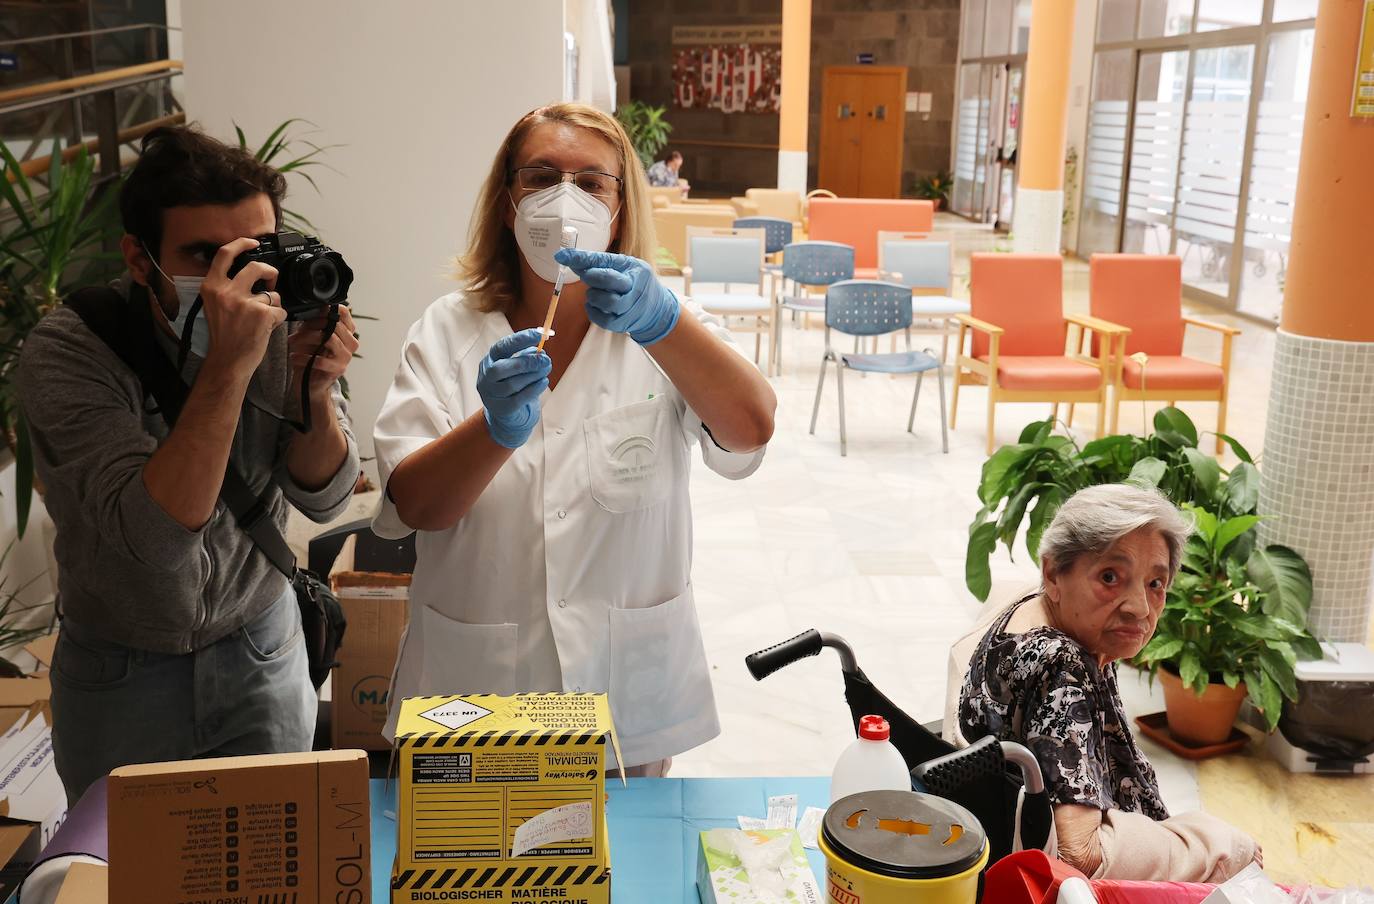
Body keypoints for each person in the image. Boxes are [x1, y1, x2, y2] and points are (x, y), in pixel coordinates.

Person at [373, 103, 775, 775]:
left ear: (618, 210)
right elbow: (416, 508)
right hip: (478, 697)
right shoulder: (446, 331)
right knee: (471, 870)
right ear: (508, 203)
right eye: (541, 176)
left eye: (592, 183)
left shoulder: (669, 330)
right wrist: (493, 432)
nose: (566, 197)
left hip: (624, 701)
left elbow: (751, 428)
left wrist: (664, 323)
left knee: (629, 873)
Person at [18, 126, 362, 803]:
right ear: (140, 260)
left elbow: (327, 499)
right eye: (204, 255)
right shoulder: (70, 353)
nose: (231, 280)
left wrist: (314, 393)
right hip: (121, 672)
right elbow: (157, 538)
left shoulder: (281, 314)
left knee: (274, 863)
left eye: (253, 251)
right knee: (132, 872)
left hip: (259, 645)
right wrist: (231, 363)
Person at [957, 484, 1259, 881]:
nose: (1139, 608)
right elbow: (1080, 854)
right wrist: (1214, 845)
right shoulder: (1062, 667)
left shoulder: (1033, 610)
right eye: (1111, 577)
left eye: (1155, 583)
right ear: (1053, 573)